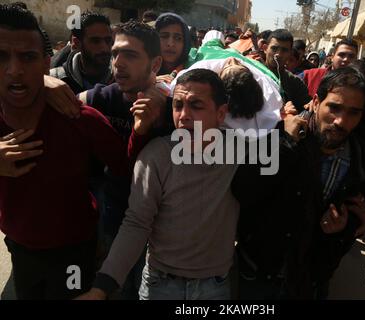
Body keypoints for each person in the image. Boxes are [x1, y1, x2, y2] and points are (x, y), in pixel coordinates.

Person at [0, 5, 150, 299]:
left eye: (27, 57)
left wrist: (143, 128)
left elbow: (127, 169)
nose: (14, 69)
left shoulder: (80, 118)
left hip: (73, 252)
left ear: (46, 63)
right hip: (19, 247)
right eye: (1, 56)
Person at [76, 69, 240, 300]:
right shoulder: (156, 156)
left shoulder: (241, 152)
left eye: (196, 106)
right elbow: (136, 223)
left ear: (221, 113)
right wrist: (101, 288)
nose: (183, 115)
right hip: (160, 285)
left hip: (215, 285)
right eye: (178, 105)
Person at [233, 66, 365, 299]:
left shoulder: (363, 161)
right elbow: (243, 191)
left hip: (311, 279)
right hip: (257, 273)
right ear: (316, 102)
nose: (341, 121)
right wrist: (284, 145)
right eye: (334, 107)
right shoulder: (276, 134)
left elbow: (360, 213)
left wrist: (341, 229)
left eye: (353, 113)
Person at [50, 11, 113, 94]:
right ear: (77, 43)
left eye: (108, 40)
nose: (105, 48)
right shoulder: (55, 80)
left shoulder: (122, 80)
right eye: (95, 41)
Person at [261, 29, 310, 112]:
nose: (278, 54)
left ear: (290, 53)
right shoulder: (253, 72)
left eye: (284, 50)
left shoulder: (295, 83)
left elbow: (307, 110)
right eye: (274, 48)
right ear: (265, 48)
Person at [155, 13, 191, 80]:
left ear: (186, 43)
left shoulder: (193, 71)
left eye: (178, 38)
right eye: (164, 36)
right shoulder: (142, 69)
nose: (170, 44)